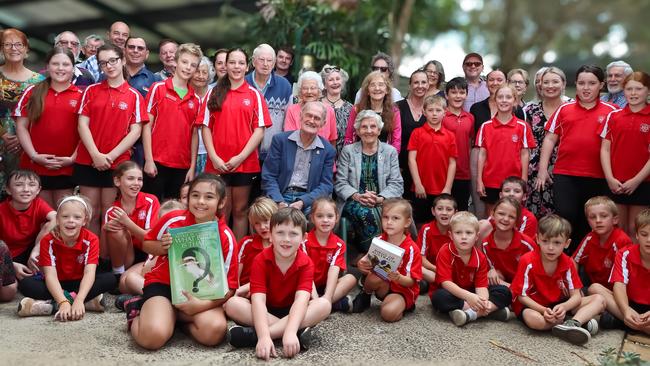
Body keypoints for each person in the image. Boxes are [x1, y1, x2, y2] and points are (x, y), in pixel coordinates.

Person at [130, 174, 238, 349]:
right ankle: (136, 313)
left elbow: (230, 287)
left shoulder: (226, 236)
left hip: (202, 293)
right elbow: (147, 243)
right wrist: (163, 248)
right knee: (151, 338)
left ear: (222, 202)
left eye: (209, 197)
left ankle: (175, 321)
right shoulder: (173, 219)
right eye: (195, 195)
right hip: (164, 285)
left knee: (214, 332)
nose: (200, 201)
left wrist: (200, 306)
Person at [224, 207, 331, 359]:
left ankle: (256, 336)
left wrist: (285, 332)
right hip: (266, 311)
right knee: (233, 304)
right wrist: (266, 336)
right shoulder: (260, 260)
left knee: (324, 304)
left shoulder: (306, 263)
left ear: (304, 238)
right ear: (271, 236)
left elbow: (301, 301)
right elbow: (258, 301)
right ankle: (298, 334)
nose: (286, 239)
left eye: (293, 234)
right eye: (280, 233)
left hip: (293, 311)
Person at [536, 65, 619, 248]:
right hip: (566, 175)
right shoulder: (564, 109)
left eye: (591, 83)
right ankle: (564, 263)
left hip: (599, 177)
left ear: (601, 85)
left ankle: (584, 266)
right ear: (576, 84)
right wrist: (542, 170)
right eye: (581, 83)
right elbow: (550, 138)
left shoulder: (612, 111)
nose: (586, 88)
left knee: (591, 223)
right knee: (566, 218)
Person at [198, 48, 272, 240]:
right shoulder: (213, 93)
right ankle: (218, 255)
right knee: (221, 210)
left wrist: (240, 157)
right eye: (232, 62)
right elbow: (205, 127)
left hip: (245, 163)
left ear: (247, 66)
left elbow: (259, 130)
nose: (236, 67)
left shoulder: (254, 95)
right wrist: (214, 157)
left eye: (240, 63)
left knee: (240, 210)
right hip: (217, 163)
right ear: (225, 65)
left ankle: (237, 256)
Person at [75, 44, 147, 235]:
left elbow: (136, 131)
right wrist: (95, 155)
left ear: (122, 60)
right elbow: (82, 124)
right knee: (90, 213)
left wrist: (110, 156)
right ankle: (93, 260)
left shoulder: (135, 96)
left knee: (109, 213)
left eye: (113, 60)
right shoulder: (91, 91)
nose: (109, 66)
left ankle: (107, 261)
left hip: (117, 163)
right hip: (88, 159)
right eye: (103, 63)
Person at [17, 195, 116, 319]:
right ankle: (82, 303)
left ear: (85, 220)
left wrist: (79, 299)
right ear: (57, 219)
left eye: (77, 217)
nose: (71, 220)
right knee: (26, 284)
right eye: (65, 216)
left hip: (80, 282)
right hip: (56, 283)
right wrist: (62, 302)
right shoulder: (48, 240)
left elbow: (89, 272)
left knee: (110, 279)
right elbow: (50, 275)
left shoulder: (91, 239)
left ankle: (51, 306)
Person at [510, 214, 605, 345]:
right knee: (535, 321)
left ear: (567, 243)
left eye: (557, 242)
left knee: (599, 299)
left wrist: (564, 307)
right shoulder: (527, 260)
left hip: (558, 304)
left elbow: (576, 296)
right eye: (545, 241)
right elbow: (521, 297)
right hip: (533, 305)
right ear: (537, 239)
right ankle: (572, 323)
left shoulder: (568, 263)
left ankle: (573, 323)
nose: (550, 247)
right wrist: (543, 310)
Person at [14, 47, 82, 208]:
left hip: (67, 168)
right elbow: (21, 126)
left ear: (73, 68)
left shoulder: (81, 95)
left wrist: (73, 158)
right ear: (47, 66)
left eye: (65, 64)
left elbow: (86, 132)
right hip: (35, 167)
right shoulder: (33, 92)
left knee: (63, 214)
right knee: (40, 217)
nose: (60, 68)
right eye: (55, 63)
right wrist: (34, 155)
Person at [335, 110, 403, 254]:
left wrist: (380, 198)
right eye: (364, 127)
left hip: (383, 200)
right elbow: (340, 183)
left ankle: (373, 257)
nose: (369, 131)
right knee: (367, 213)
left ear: (379, 130)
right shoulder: (348, 151)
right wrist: (358, 196)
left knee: (390, 213)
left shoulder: (389, 151)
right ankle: (378, 258)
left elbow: (397, 183)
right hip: (354, 201)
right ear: (358, 131)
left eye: (373, 127)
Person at [430, 211, 512, 327]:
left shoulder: (480, 257)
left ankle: (470, 314)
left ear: (477, 236)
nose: (464, 237)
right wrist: (469, 298)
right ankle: (490, 311)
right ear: (451, 235)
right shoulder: (445, 251)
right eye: (458, 232)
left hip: (473, 293)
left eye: (469, 233)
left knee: (504, 292)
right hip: (453, 293)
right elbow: (445, 283)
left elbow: (481, 286)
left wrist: (482, 301)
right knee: (439, 298)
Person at [143, 43, 202, 200]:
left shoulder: (196, 99)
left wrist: (192, 167)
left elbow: (195, 134)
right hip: (156, 161)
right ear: (175, 62)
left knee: (175, 211)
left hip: (182, 166)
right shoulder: (158, 88)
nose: (188, 67)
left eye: (193, 65)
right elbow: (146, 125)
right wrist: (148, 159)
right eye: (184, 62)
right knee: (152, 209)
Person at [352, 199, 422, 322]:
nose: (389, 222)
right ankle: (365, 295)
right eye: (385, 217)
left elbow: (412, 281)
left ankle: (404, 306)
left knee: (388, 314)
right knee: (375, 275)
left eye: (395, 218)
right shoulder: (379, 239)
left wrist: (398, 277)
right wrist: (361, 264)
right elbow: (366, 259)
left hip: (402, 290)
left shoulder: (411, 248)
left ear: (407, 222)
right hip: (383, 285)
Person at [600, 71, 650, 236]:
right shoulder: (614, 116)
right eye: (629, 89)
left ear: (648, 91)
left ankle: (635, 262)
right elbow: (605, 149)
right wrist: (609, 178)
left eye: (639, 89)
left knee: (637, 229)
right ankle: (619, 261)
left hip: (643, 182)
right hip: (616, 182)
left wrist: (636, 181)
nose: (633, 93)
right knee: (618, 230)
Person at [262, 101, 335, 214]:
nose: (311, 120)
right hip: (280, 194)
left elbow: (326, 185)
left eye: (317, 118)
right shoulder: (280, 140)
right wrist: (279, 201)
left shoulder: (328, 150)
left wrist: (302, 202)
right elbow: (269, 176)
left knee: (317, 216)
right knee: (266, 213)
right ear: (300, 116)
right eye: (308, 115)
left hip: (308, 199)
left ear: (323, 123)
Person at [476, 85, 534, 215]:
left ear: (514, 101)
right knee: (491, 216)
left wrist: (524, 179)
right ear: (495, 100)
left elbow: (525, 154)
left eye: (508, 97)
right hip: (491, 180)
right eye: (500, 97)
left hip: (514, 182)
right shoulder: (486, 126)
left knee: (512, 215)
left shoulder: (522, 126)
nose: (504, 100)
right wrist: (479, 180)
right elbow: (482, 155)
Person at [0, 28, 45, 194]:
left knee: (23, 193)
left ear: (26, 49)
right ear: (1, 48)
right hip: (1, 140)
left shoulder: (39, 81)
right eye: (8, 44)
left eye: (18, 44)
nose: (14, 48)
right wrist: (3, 134)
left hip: (27, 145)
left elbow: (42, 115)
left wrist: (22, 137)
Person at [115, 198, 184, 299]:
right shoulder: (156, 240)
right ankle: (146, 297)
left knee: (131, 279)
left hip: (173, 286)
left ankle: (147, 298)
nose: (169, 226)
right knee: (126, 280)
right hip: (152, 278)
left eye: (174, 220)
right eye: (164, 221)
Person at [525, 67, 570, 217]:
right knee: (535, 212)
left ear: (563, 84)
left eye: (555, 82)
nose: (550, 86)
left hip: (565, 167)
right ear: (540, 85)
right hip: (535, 168)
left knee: (564, 212)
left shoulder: (571, 107)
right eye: (546, 82)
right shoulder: (529, 110)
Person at [103, 161, 160, 281]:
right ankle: (118, 274)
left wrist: (126, 222)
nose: (136, 183)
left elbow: (150, 237)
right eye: (130, 179)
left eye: (140, 179)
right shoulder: (113, 210)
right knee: (115, 230)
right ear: (117, 181)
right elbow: (103, 254)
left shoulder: (150, 201)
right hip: (126, 256)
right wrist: (104, 230)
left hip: (148, 252)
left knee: (131, 281)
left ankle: (123, 280)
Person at [0, 170, 55, 288]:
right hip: (6, 256)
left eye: (31, 185)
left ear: (38, 190)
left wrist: (36, 251)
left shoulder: (38, 203)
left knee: (51, 225)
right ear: (8, 189)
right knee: (10, 290)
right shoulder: (1, 210)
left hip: (29, 253)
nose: (26, 189)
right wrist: (11, 265)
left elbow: (56, 219)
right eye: (19, 185)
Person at [408, 95, 457, 224]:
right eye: (430, 110)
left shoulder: (450, 136)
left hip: (441, 189)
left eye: (438, 110)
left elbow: (452, 163)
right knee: (420, 222)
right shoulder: (417, 133)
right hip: (421, 189)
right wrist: (418, 184)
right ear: (424, 112)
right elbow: (411, 159)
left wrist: (448, 187)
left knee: (441, 223)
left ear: (445, 113)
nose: (434, 114)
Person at [304, 197, 357, 312]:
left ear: (336, 218)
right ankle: (334, 304)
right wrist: (316, 298)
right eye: (319, 216)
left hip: (325, 286)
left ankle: (324, 304)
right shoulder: (305, 241)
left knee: (350, 279)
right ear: (312, 218)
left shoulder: (339, 244)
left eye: (330, 216)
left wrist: (327, 297)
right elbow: (305, 273)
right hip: (306, 285)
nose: (325, 220)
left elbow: (334, 272)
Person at [573, 196, 632, 296]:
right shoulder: (589, 238)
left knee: (594, 289)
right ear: (588, 221)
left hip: (618, 291)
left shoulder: (622, 240)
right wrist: (573, 286)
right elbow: (574, 261)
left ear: (615, 220)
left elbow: (626, 276)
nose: (598, 220)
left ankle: (627, 311)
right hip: (594, 286)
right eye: (592, 217)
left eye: (603, 216)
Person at [603, 208, 650, 333]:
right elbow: (619, 285)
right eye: (644, 234)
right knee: (595, 289)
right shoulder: (625, 253)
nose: (649, 240)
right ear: (636, 235)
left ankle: (629, 324)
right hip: (630, 303)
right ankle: (637, 324)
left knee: (607, 320)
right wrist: (626, 310)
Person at [245, 44, 293, 162]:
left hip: (274, 153)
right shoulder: (243, 83)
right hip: (244, 153)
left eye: (270, 60)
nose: (266, 64)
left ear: (274, 63)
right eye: (261, 60)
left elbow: (288, 121)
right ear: (253, 61)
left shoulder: (285, 85)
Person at [480, 197, 535, 287]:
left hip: (526, 289)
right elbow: (492, 276)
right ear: (492, 214)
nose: (505, 219)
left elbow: (535, 276)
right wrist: (491, 272)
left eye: (511, 217)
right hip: (503, 288)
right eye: (501, 214)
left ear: (516, 221)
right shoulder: (485, 244)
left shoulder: (527, 244)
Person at [345, 71, 402, 152]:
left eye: (381, 85)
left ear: (387, 90)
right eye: (372, 85)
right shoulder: (357, 109)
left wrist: (391, 159)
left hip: (385, 157)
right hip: (358, 157)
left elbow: (396, 141)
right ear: (367, 91)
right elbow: (349, 137)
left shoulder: (394, 111)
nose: (377, 88)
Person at [442, 77, 475, 211]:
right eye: (453, 92)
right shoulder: (441, 116)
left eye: (461, 92)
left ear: (466, 95)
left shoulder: (470, 117)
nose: (458, 96)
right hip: (444, 173)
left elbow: (470, 143)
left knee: (461, 210)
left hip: (463, 173)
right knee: (443, 210)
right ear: (446, 95)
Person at [236, 196, 277, 297]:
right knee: (233, 304)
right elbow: (235, 276)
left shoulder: (283, 245)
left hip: (271, 295)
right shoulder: (246, 243)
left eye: (266, 221)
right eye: (257, 223)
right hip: (243, 295)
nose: (262, 227)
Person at [396, 69, 427, 200]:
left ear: (428, 84)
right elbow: (393, 137)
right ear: (410, 85)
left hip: (425, 167)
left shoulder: (433, 108)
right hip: (401, 167)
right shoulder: (397, 107)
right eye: (416, 82)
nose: (420, 86)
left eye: (423, 82)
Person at [284, 71, 337, 145]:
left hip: (322, 154)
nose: (309, 92)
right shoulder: (292, 110)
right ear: (300, 91)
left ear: (319, 90)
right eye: (305, 88)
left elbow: (332, 140)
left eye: (313, 88)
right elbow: (288, 137)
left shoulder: (329, 110)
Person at [418, 194, 456, 295]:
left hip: (452, 271)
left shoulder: (457, 231)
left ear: (455, 212)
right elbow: (421, 259)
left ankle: (442, 284)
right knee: (419, 269)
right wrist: (438, 269)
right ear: (433, 211)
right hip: (432, 270)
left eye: (449, 209)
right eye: (440, 209)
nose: (444, 213)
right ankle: (443, 284)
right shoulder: (426, 229)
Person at [190, 56, 216, 175]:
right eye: (197, 71)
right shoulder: (184, 93)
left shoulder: (216, 94)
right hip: (186, 152)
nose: (200, 76)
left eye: (204, 72)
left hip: (211, 152)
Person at [320, 64, 353, 157]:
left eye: (338, 79)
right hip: (319, 156)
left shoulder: (350, 109)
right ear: (324, 85)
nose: (335, 82)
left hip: (343, 160)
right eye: (331, 80)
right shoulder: (317, 106)